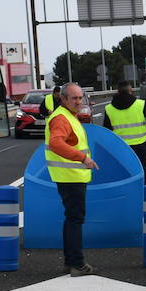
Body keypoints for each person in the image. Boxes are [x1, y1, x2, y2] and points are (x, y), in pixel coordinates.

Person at [45, 83, 99, 276]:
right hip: (70, 177)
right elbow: (55, 143)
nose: (78, 102)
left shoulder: (68, 116)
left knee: (72, 219)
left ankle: (71, 261)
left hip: (72, 176)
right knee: (75, 220)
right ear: (63, 99)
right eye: (74, 98)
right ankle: (77, 264)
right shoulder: (61, 118)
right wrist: (83, 158)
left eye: (80, 98)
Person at [102, 80, 146, 184]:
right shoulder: (140, 104)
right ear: (130, 91)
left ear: (118, 91)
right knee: (144, 173)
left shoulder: (109, 109)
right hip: (140, 145)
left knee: (123, 175)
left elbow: (106, 131)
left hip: (120, 147)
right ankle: (143, 194)